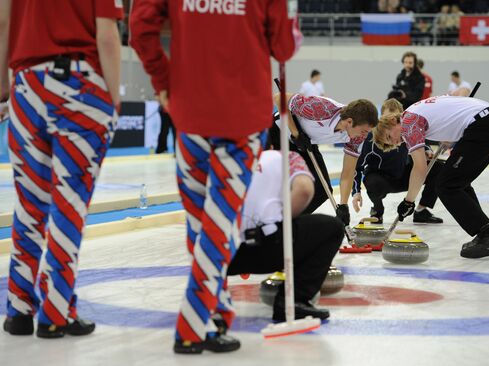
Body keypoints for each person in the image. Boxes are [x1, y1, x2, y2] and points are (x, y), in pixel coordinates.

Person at [130, 0, 300, 355]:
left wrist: (164, 80)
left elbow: (141, 29)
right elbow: (284, 47)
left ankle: (217, 313)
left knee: (202, 225)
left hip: (191, 112)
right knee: (221, 225)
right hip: (240, 120)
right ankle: (193, 325)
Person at [0, 0, 122, 338]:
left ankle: (19, 310)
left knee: (28, 204)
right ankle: (55, 312)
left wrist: (3, 90)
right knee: (68, 206)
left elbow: (2, 21)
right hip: (78, 87)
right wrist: (113, 101)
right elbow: (108, 36)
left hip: (26, 84)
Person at [373, 94, 489, 259]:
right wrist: (452, 135)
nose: (397, 142)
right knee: (458, 182)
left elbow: (419, 168)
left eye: (390, 137)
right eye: (392, 144)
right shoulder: (415, 112)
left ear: (392, 122)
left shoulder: (408, 124)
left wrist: (408, 202)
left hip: (484, 126)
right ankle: (487, 233)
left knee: (446, 185)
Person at [228, 150, 343, 321]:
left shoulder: (219, 157)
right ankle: (295, 300)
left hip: (222, 250)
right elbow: (304, 190)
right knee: (333, 228)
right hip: (269, 244)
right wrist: (281, 220)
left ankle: (205, 299)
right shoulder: (286, 156)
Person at [270, 93, 379, 227]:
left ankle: (287, 224)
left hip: (306, 142)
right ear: (350, 121)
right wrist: (296, 133)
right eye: (364, 131)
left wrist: (343, 205)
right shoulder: (321, 108)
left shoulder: (356, 137)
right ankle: (269, 221)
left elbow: (348, 171)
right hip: (277, 133)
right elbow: (278, 98)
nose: (365, 136)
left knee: (322, 190)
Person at [352, 98, 443, 224]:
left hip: (403, 174)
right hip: (382, 179)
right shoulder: (370, 138)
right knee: (372, 182)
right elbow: (357, 167)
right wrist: (356, 192)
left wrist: (427, 151)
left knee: (437, 168)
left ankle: (421, 210)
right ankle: (377, 210)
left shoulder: (408, 129)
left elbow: (420, 143)